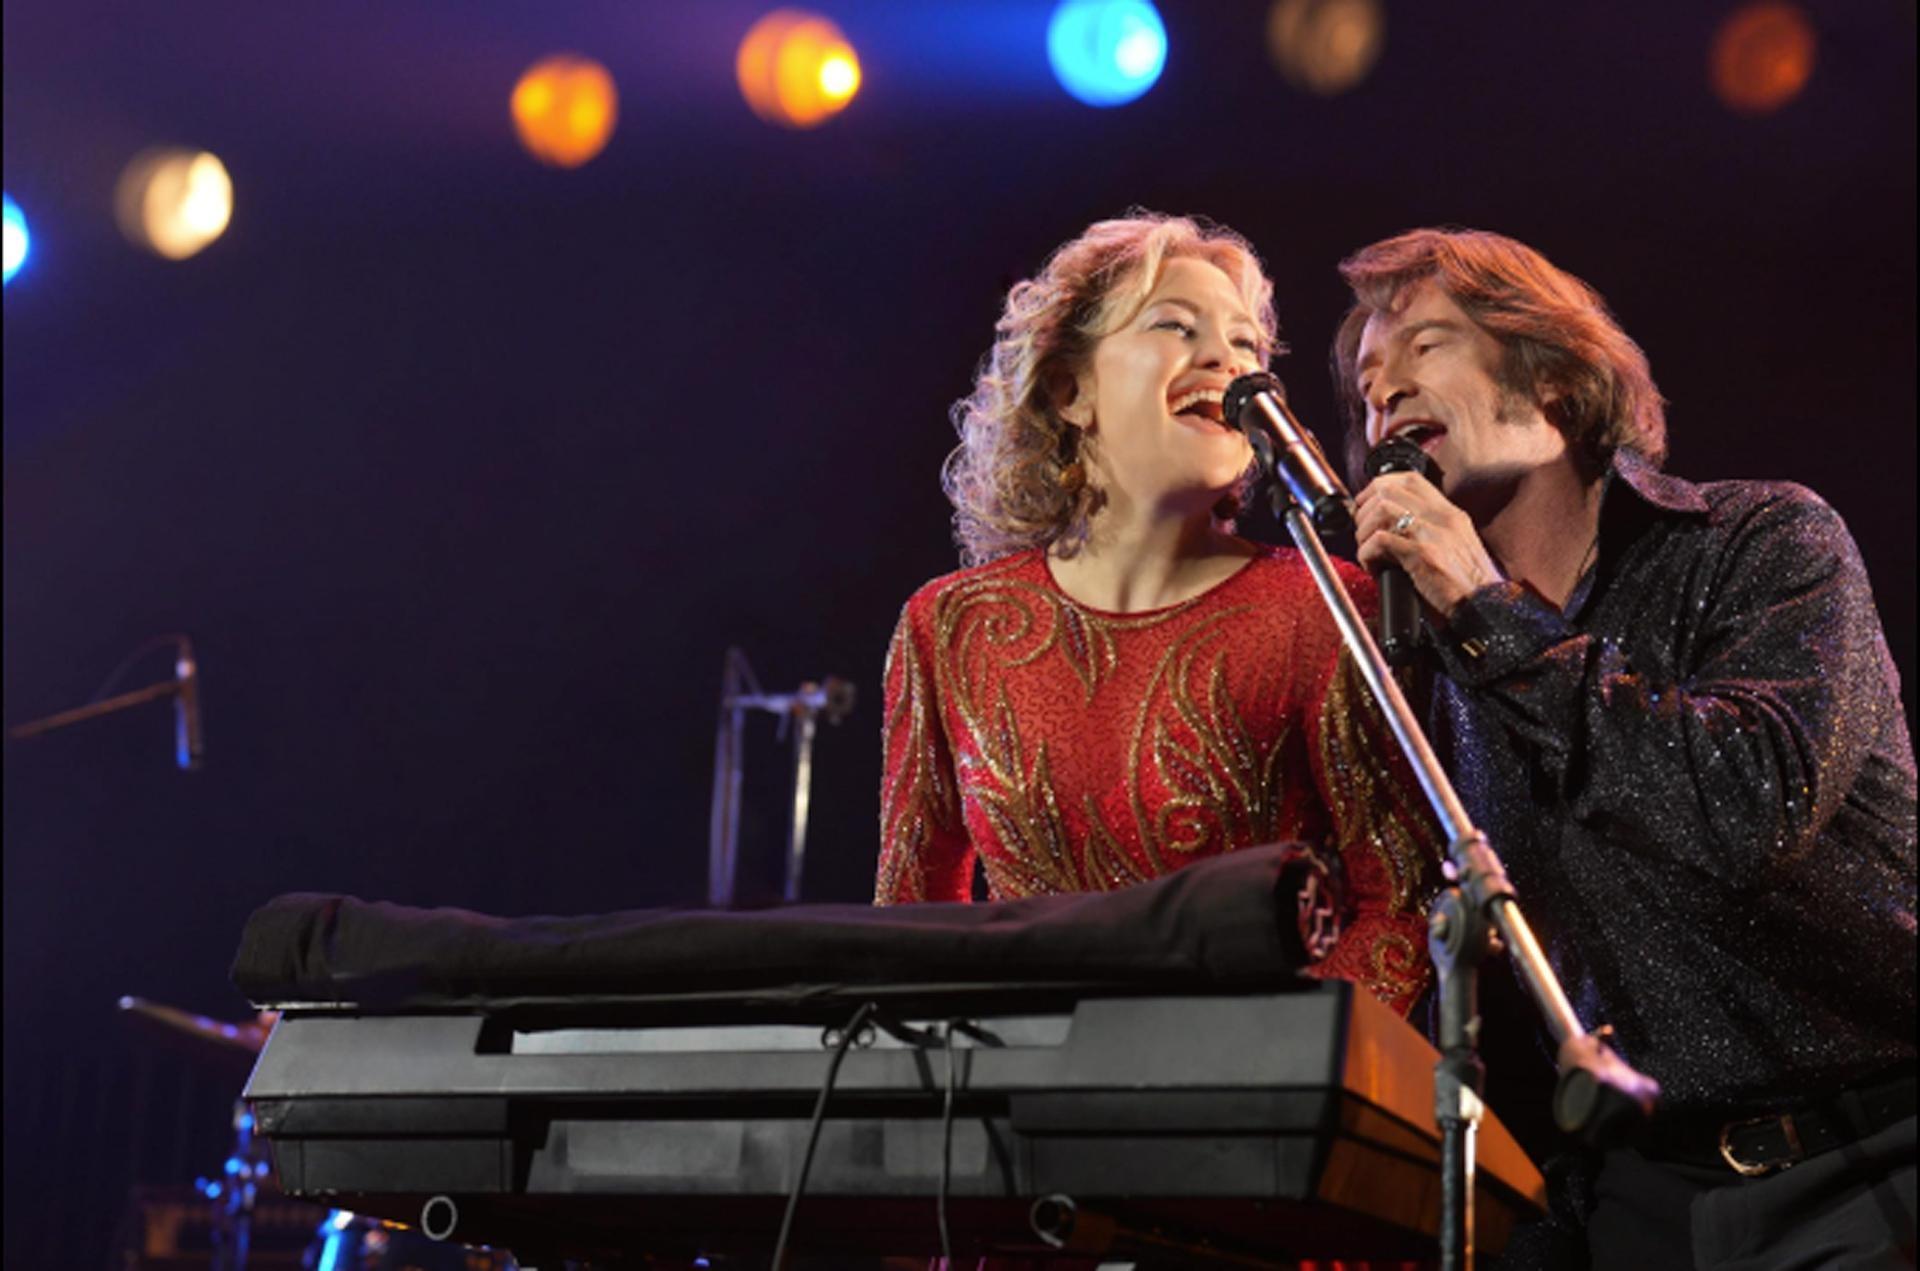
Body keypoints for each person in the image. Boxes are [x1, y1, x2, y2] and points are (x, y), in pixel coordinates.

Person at [1340, 227, 1917, 1266]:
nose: (1384, 392)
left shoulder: (1762, 541)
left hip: (1871, 1159)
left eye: (1425, 345)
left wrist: (1489, 610)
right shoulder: (1442, 669)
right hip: (1644, 1198)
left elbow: (1748, 808)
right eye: (1367, 383)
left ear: (1555, 383)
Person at [874, 210, 1444, 1018]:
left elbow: (1403, 901)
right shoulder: (950, 626)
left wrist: (1270, 1065)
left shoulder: (1323, 606)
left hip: (1257, 1080)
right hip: (1020, 1080)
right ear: (1071, 391)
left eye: (1247, 345)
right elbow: (909, 920)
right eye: (1176, 326)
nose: (1227, 360)